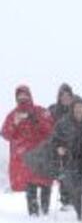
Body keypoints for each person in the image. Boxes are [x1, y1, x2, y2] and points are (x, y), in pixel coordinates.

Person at [1, 85, 54, 215]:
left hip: (42, 155)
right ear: (16, 98)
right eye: (20, 96)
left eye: (25, 95)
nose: (22, 98)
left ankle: (45, 212)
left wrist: (37, 121)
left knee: (45, 183)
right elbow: (5, 134)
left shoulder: (41, 111)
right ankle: (33, 214)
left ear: (30, 96)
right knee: (30, 184)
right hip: (25, 157)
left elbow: (51, 130)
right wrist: (15, 123)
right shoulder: (13, 115)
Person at [51, 95, 82, 221]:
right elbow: (55, 140)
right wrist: (59, 148)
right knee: (75, 188)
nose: (79, 110)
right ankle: (81, 214)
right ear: (72, 109)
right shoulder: (63, 123)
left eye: (81, 107)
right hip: (69, 160)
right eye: (77, 107)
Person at [48, 82, 75, 208]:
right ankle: (65, 201)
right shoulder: (53, 110)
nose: (65, 98)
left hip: (74, 146)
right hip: (57, 146)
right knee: (62, 173)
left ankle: (73, 200)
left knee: (74, 173)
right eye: (62, 95)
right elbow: (48, 128)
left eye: (67, 95)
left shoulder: (76, 109)